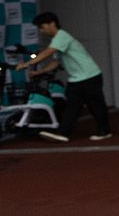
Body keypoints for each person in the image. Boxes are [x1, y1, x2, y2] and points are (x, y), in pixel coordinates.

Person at [21, 12, 111, 142]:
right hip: (76, 79)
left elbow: (49, 51)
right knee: (71, 107)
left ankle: (105, 131)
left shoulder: (62, 36)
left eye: (42, 27)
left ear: (52, 23)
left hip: (90, 76)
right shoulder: (57, 40)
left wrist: (26, 64)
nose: (41, 31)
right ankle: (62, 133)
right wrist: (39, 72)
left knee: (95, 105)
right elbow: (55, 62)